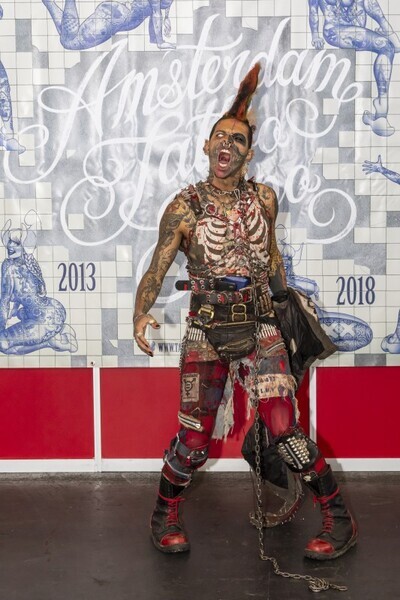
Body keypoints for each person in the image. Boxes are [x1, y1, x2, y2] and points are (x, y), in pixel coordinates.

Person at [133, 64, 357, 561]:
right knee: (194, 439)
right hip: (207, 328)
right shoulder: (184, 207)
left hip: (260, 325)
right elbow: (156, 267)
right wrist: (140, 313)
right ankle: (163, 513)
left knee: (285, 431)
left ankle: (339, 518)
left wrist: (285, 307)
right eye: (219, 136)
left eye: (237, 139)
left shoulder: (264, 199)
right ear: (206, 146)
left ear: (248, 154)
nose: (226, 143)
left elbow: (271, 257)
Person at [308, 0, 400, 136]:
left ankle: (378, 113)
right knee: (387, 47)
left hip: (356, 29)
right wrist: (315, 35)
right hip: (336, 31)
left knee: (387, 48)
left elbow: (370, 5)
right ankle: (381, 110)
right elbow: (313, 9)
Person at [42, 0, 175, 50]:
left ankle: (48, 2)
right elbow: (156, 13)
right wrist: (160, 42)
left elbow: (155, 12)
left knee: (66, 37)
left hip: (116, 15)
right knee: (69, 42)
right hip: (115, 17)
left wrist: (155, 38)